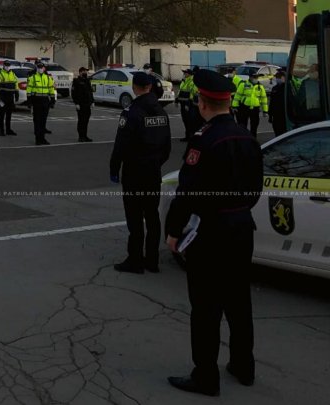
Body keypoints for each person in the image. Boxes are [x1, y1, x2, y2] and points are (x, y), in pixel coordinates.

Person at [166, 69, 263, 396]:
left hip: (210, 231)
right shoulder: (247, 137)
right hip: (240, 227)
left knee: (206, 306)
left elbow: (188, 191)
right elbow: (254, 190)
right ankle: (243, 365)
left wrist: (173, 231)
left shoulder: (203, 140)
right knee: (239, 301)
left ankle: (205, 375)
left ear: (203, 104)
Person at [109, 71, 171, 274]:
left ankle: (135, 259)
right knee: (152, 216)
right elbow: (167, 146)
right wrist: (155, 162)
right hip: (153, 171)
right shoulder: (161, 112)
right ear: (150, 87)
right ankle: (152, 260)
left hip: (134, 172)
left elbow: (121, 144)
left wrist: (114, 167)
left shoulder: (131, 112)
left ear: (135, 87)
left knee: (135, 217)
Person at [27, 61, 56, 145]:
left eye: (41, 67)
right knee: (37, 121)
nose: (40, 69)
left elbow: (51, 89)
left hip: (45, 101)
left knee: (43, 121)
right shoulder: (32, 78)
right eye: (39, 67)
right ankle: (37, 139)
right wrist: (29, 101)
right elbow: (29, 90)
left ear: (43, 68)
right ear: (37, 68)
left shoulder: (48, 78)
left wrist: (53, 100)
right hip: (36, 101)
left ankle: (42, 138)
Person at [232, 73, 268, 137]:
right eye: (254, 77)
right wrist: (235, 106)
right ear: (250, 77)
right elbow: (237, 96)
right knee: (242, 125)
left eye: (257, 77)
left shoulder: (260, 86)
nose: (256, 79)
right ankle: (243, 139)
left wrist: (265, 111)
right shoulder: (243, 84)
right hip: (244, 107)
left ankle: (253, 139)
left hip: (255, 109)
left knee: (254, 125)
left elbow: (264, 99)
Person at [71, 67, 94, 142]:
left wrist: (92, 101)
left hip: (87, 104)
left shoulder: (87, 80)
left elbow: (90, 92)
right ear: (80, 72)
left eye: (86, 71)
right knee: (81, 121)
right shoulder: (76, 81)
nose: (85, 73)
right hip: (80, 104)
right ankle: (81, 136)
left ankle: (85, 135)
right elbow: (74, 93)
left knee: (86, 121)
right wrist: (76, 103)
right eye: (84, 71)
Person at [0, 60, 19, 136]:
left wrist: (16, 93)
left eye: (8, 65)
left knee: (9, 115)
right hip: (3, 98)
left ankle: (8, 130)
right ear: (3, 65)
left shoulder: (13, 74)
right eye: (6, 65)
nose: (7, 66)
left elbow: (16, 83)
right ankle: (2, 131)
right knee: (2, 115)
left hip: (10, 97)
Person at [176, 69, 197, 142]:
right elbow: (180, 91)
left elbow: (191, 94)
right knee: (185, 120)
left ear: (189, 74)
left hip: (188, 104)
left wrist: (188, 104)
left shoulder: (192, 81)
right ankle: (187, 136)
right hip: (182, 103)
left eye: (185, 73)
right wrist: (177, 100)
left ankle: (191, 137)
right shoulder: (184, 81)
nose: (184, 74)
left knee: (189, 121)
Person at [268, 69, 287, 137]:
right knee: (277, 132)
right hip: (276, 115)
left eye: (278, 77)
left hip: (284, 115)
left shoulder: (287, 87)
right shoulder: (274, 88)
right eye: (276, 77)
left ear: (283, 78)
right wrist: (270, 115)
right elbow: (271, 103)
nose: (277, 79)